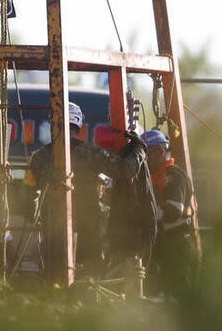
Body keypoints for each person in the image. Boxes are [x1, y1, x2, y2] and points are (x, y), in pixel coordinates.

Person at [23, 102, 149, 278]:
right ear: (78, 125)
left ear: (53, 124)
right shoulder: (91, 153)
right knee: (90, 279)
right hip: (88, 231)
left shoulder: (38, 157)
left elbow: (28, 199)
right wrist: (140, 149)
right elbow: (126, 170)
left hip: (53, 231)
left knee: (54, 280)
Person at [141, 129, 198, 296]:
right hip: (164, 248)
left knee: (176, 300)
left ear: (159, 152)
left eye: (146, 155)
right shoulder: (154, 177)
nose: (144, 160)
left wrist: (144, 216)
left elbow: (174, 209)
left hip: (178, 248)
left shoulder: (173, 175)